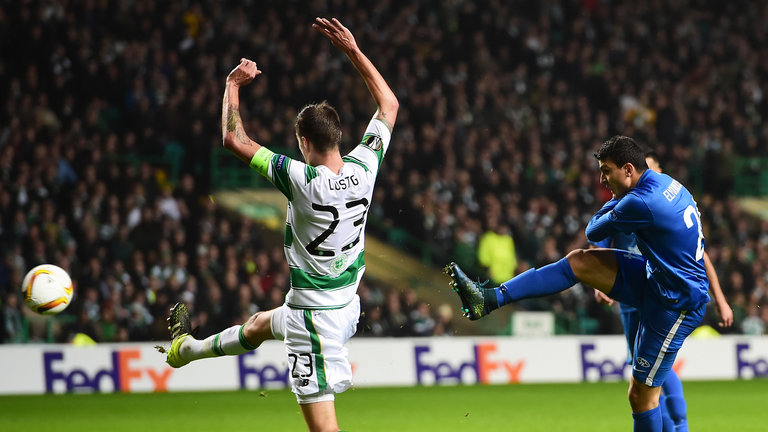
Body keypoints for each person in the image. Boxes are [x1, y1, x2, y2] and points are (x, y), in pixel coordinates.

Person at [160, 17, 398, 432]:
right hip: (344, 302)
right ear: (340, 136)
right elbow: (389, 105)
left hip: (314, 320)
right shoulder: (366, 165)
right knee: (257, 325)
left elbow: (234, 139)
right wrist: (353, 51)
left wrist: (232, 86)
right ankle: (186, 350)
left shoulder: (301, 178)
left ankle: (187, 351)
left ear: (304, 142)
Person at [446, 136, 710, 432]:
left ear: (627, 169)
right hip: (658, 277)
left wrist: (614, 201)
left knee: (642, 396)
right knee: (580, 262)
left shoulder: (641, 202)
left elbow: (593, 228)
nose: (602, 179)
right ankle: (489, 298)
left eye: (606, 171)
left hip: (676, 302)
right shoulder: (666, 183)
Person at [589, 151, 733, 432]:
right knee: (644, 372)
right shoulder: (622, 205)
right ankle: (673, 426)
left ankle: (680, 425)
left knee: (649, 374)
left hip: (658, 292)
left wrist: (721, 300)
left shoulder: (658, 203)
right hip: (630, 298)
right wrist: (599, 282)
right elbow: (598, 243)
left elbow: (701, 257)